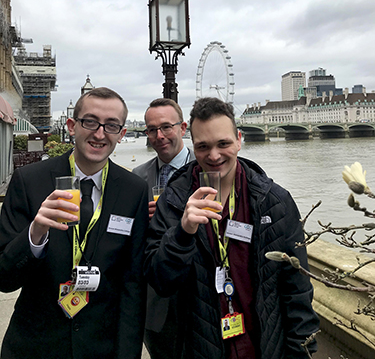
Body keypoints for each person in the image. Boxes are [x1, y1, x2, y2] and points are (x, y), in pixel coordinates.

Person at [144, 97, 320, 359]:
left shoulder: (275, 201)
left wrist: (301, 351)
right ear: (194, 145)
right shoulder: (174, 201)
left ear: (239, 139)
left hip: (262, 348)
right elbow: (160, 281)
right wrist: (182, 232)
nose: (214, 156)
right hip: (200, 348)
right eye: (203, 146)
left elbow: (296, 288)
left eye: (223, 144)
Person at [0, 87, 148, 359]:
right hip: (34, 345)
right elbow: (4, 278)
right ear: (71, 126)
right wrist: (34, 234)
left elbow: (132, 284)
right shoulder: (29, 181)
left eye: (111, 125)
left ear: (122, 134)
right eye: (90, 121)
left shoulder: (134, 190)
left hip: (100, 347)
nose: (100, 133)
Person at [133, 98, 194, 359]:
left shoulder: (206, 171)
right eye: (151, 130)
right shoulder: (137, 177)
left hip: (199, 296)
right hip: (155, 305)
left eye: (166, 127)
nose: (159, 136)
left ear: (183, 127)